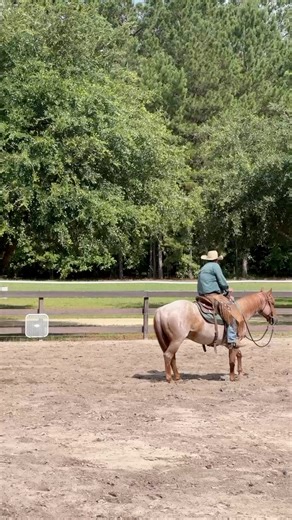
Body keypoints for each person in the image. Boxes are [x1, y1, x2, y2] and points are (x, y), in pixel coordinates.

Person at [197, 250, 240, 347]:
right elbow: (222, 281)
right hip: (213, 295)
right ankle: (232, 339)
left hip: (202, 295)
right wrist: (227, 288)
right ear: (216, 260)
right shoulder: (215, 266)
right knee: (231, 314)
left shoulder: (203, 268)